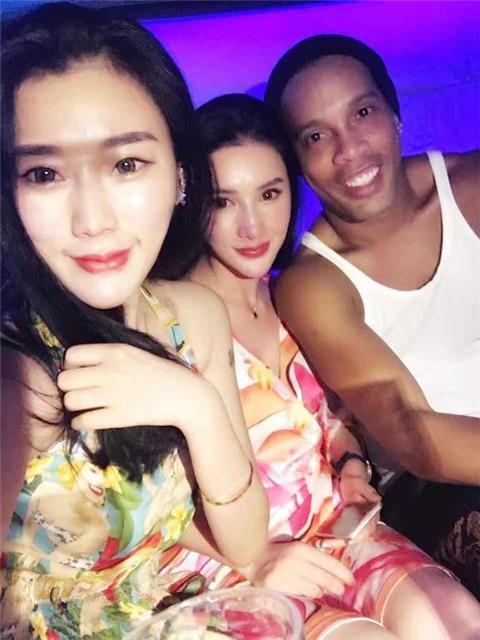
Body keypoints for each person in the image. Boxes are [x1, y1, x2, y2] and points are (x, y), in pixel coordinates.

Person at [162, 93, 480, 640]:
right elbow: (136, 494)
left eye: (269, 193)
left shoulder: (293, 297)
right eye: (224, 201)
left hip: (338, 530)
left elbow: (332, 417)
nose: (251, 225)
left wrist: (350, 463)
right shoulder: (164, 320)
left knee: (456, 622)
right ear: (191, 202)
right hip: (230, 566)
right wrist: (254, 557)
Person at [0, 5, 269, 638]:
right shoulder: (19, 373)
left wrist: (194, 403)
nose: (92, 221)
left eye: (126, 164)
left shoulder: (192, 316)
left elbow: (244, 543)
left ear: (180, 176)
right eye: (44, 174)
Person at [263, 35, 480, 592]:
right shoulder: (314, 283)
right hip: (437, 486)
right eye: (316, 136)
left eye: (362, 113)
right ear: (298, 163)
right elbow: (416, 434)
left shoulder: (470, 185)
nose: (348, 150)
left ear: (395, 115)